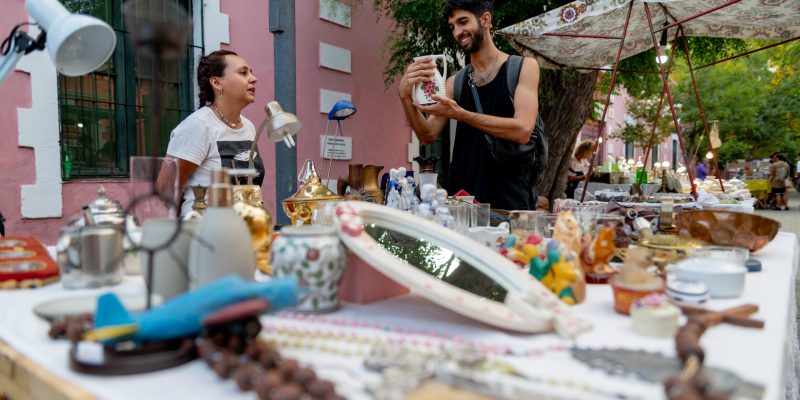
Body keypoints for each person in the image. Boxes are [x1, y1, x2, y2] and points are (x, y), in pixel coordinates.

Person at [397, 0, 541, 211]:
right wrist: (404, 97)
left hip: (508, 204)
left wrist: (461, 114)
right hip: (462, 202)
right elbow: (427, 134)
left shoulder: (523, 67)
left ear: (485, 20)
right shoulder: (455, 82)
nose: (457, 32)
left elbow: (523, 130)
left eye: (463, 22)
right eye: (452, 26)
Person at [164, 50, 263, 217]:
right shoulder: (199, 125)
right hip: (203, 230)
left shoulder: (249, 127)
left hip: (244, 230)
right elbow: (166, 188)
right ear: (217, 82)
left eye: (251, 73)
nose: (253, 79)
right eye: (243, 73)